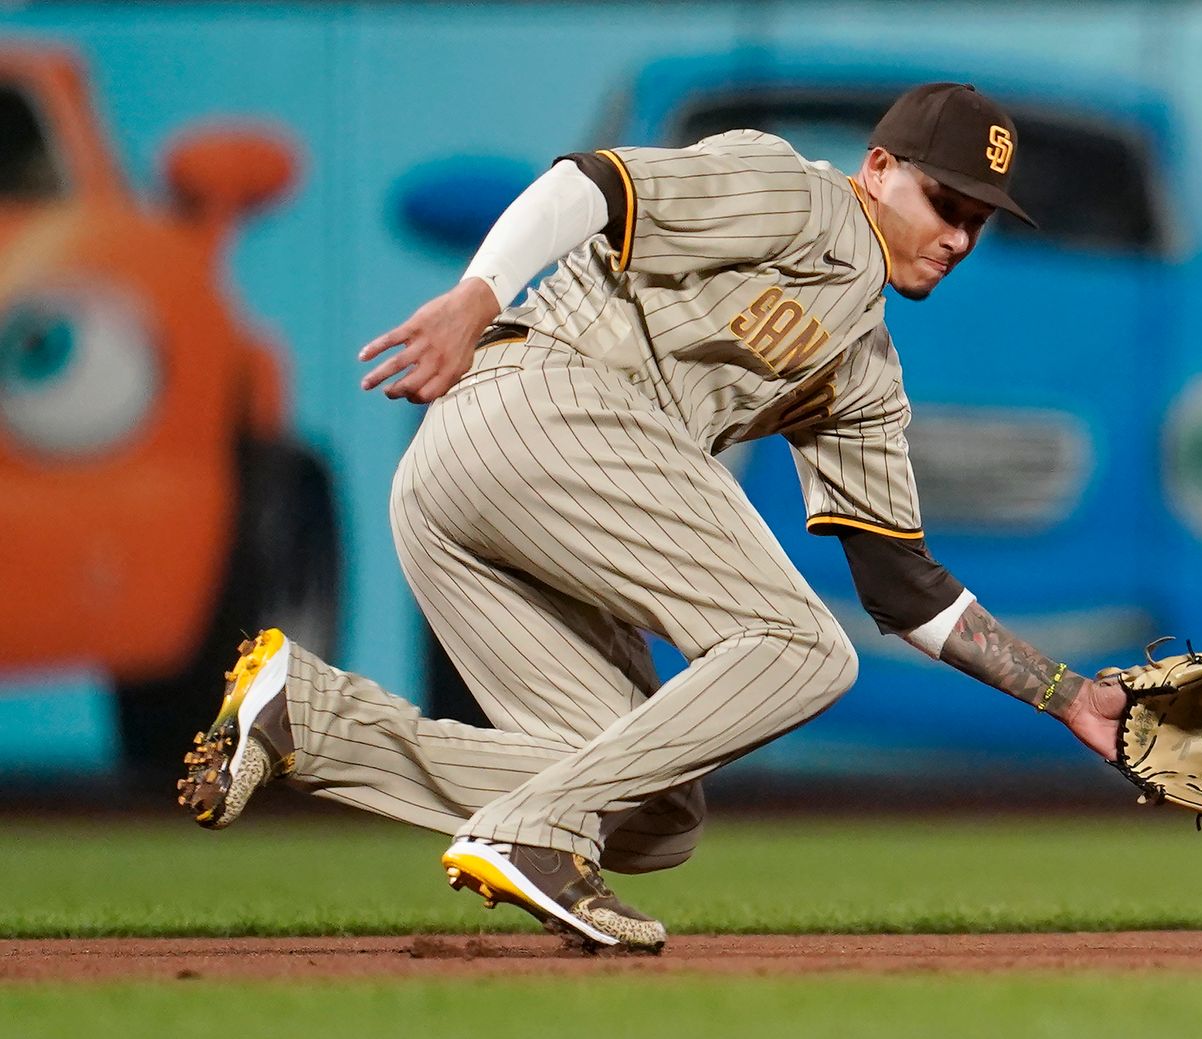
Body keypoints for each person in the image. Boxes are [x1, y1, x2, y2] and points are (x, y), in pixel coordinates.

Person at [178, 82, 1128, 954]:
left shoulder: (865, 372)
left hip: (489, 488)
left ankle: (307, 720)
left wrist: (1068, 696)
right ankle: (532, 832)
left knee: (651, 813)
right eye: (945, 202)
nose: (959, 236)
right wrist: (477, 294)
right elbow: (589, 184)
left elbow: (900, 584)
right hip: (539, 401)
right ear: (878, 169)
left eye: (979, 220)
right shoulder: (801, 195)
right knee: (803, 646)